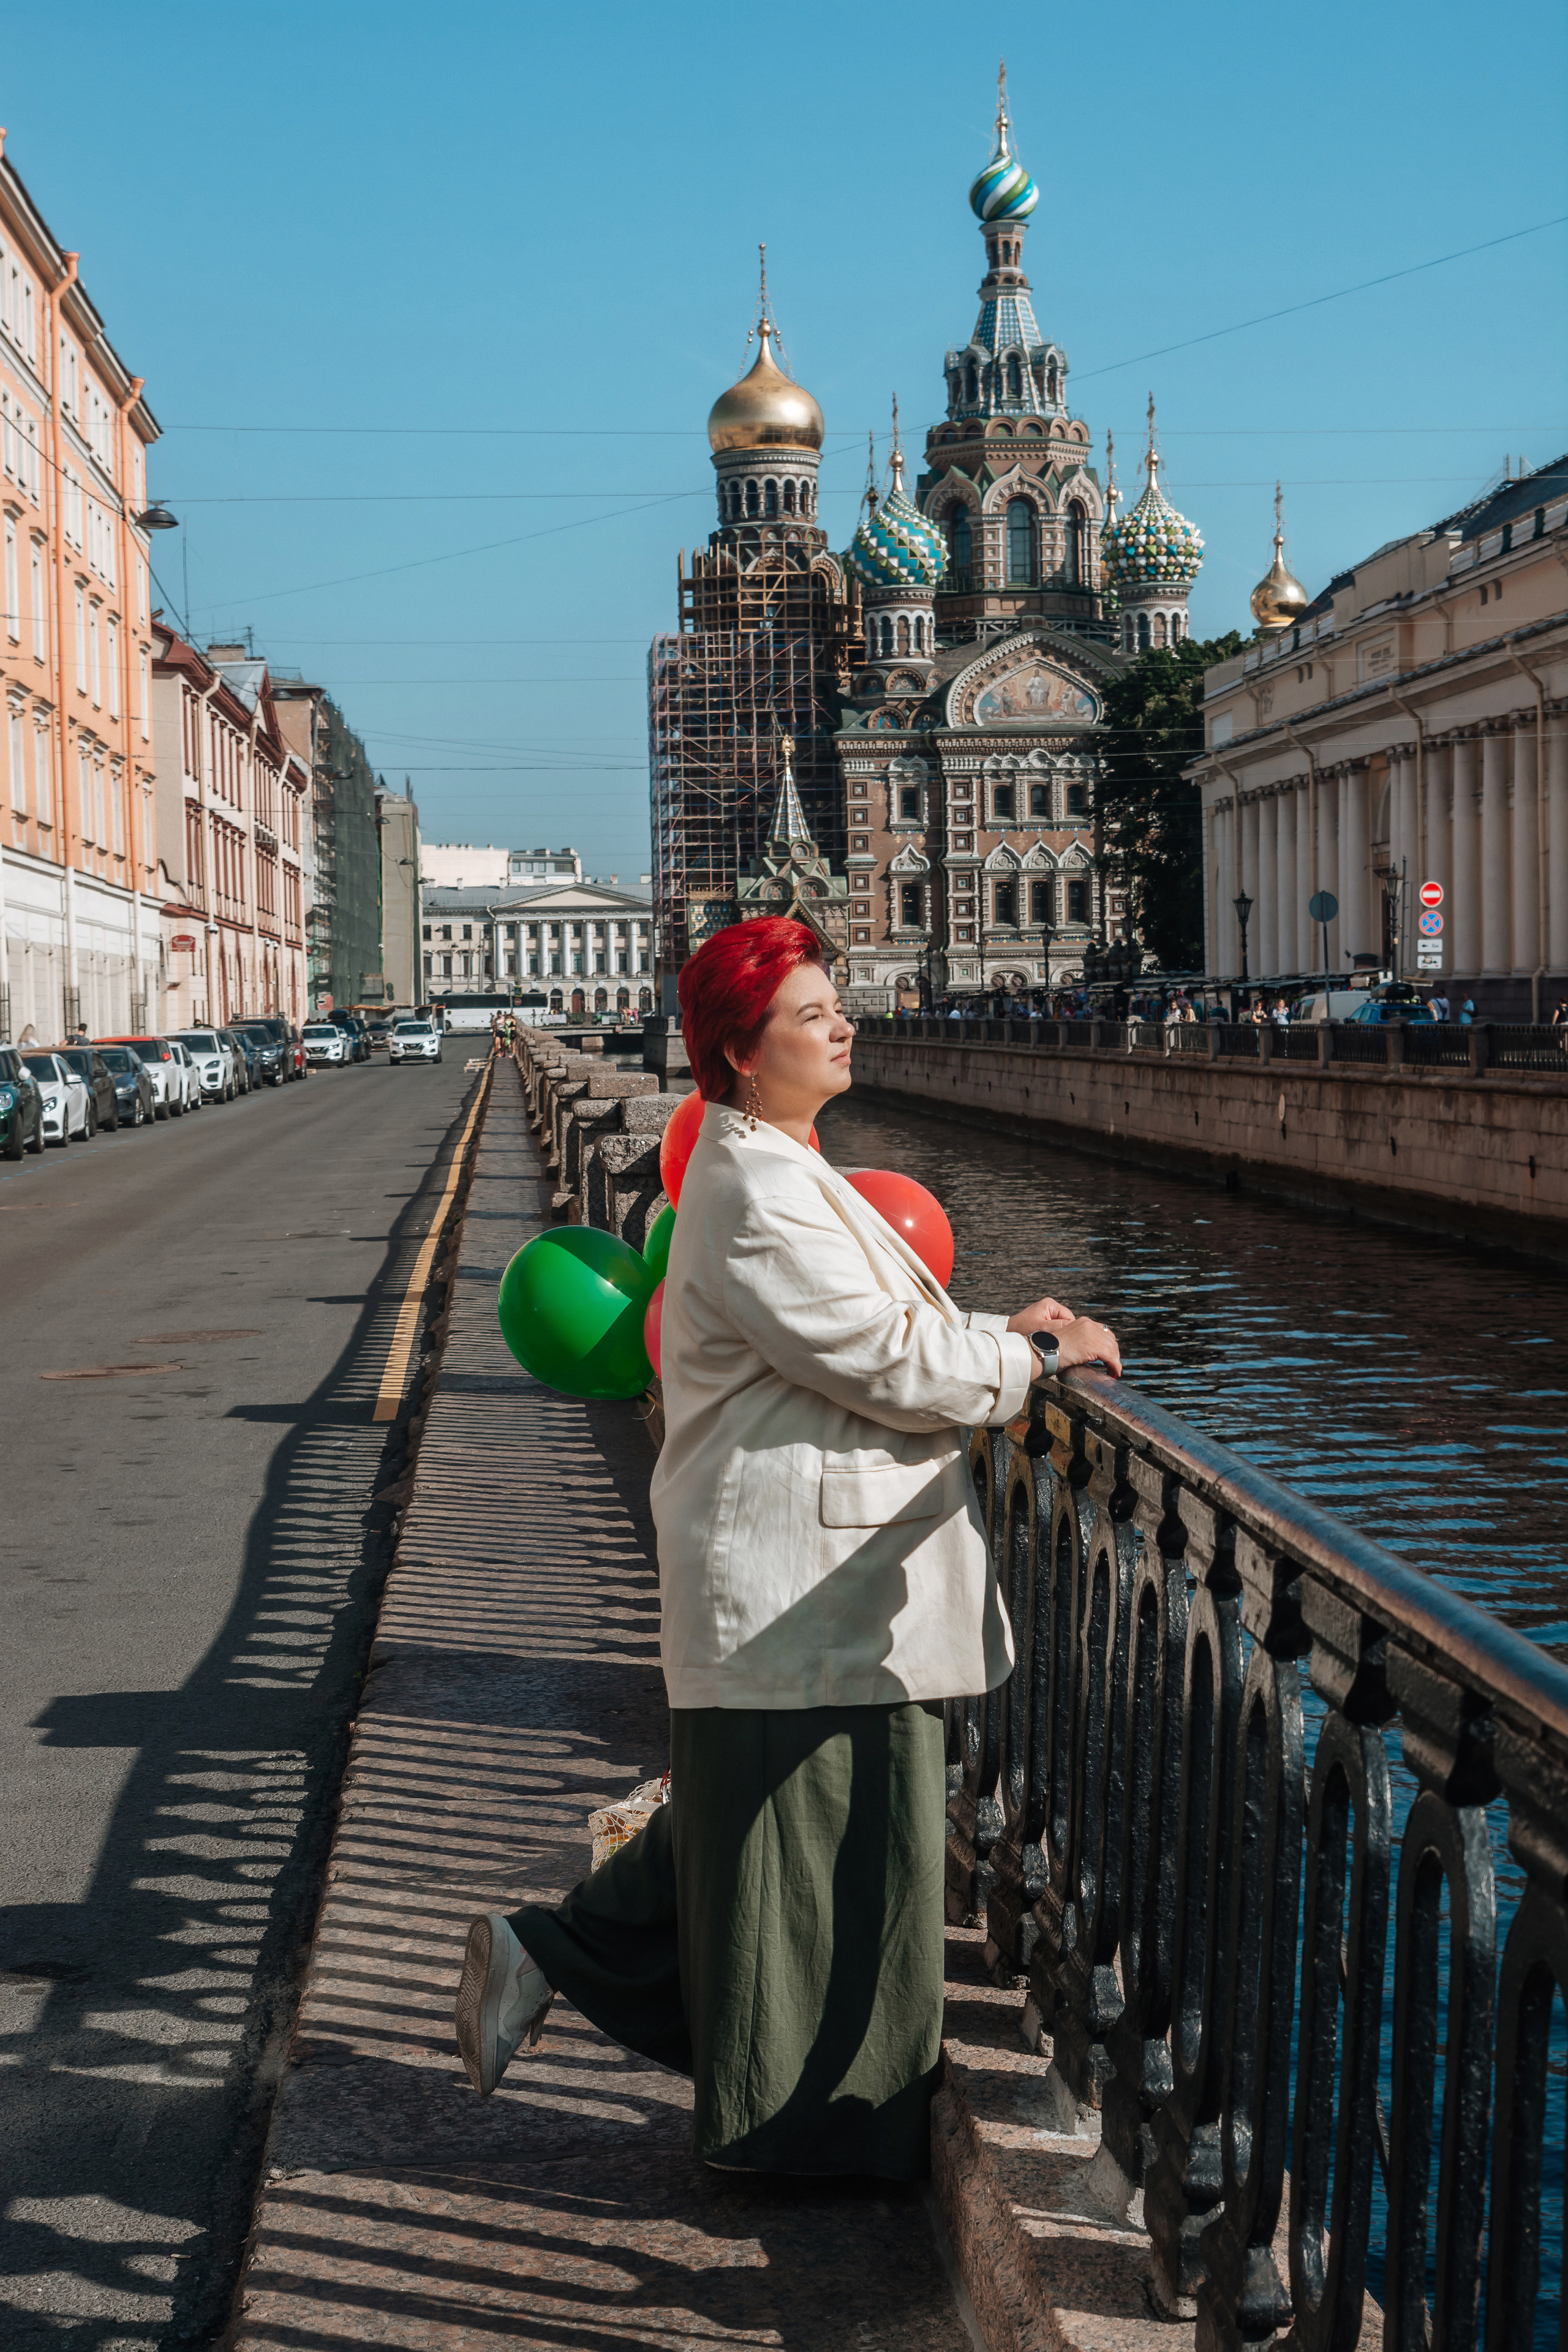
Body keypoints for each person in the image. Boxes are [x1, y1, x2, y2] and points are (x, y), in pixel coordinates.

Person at [453, 917, 1119, 2180]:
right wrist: (1032, 1355)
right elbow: (887, 1361)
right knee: (810, 1865)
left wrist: (995, 1323)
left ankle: (556, 1962)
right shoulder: (757, 1187)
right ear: (743, 1052)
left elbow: (857, 1323)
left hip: (811, 1576)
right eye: (814, 1013)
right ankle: (798, 2146)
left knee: (761, 1839)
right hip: (806, 1581)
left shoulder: (770, 1166)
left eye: (835, 1004)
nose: (844, 1024)